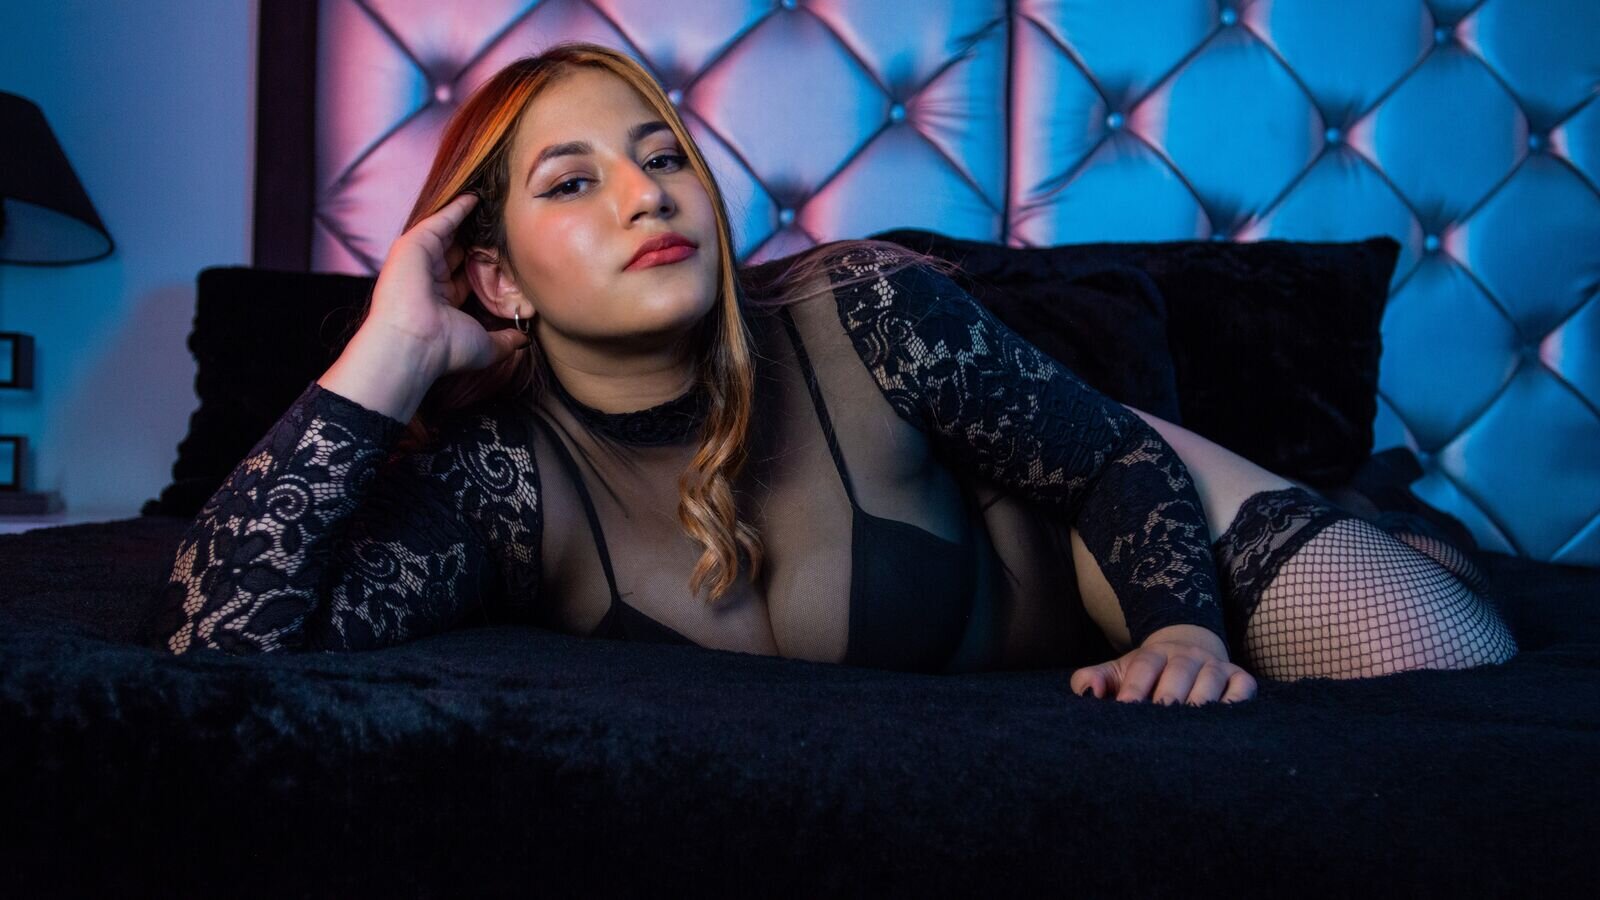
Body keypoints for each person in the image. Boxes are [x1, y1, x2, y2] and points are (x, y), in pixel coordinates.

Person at [153, 42, 1518, 706]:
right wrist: (391, 350)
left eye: (663, 155)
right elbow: (219, 639)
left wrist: (1184, 631)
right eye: (574, 182)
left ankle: (1374, 515)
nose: (646, 193)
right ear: (495, 279)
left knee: (1455, 650)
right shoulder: (502, 486)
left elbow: (1110, 462)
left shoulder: (865, 309)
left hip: (1114, 526)